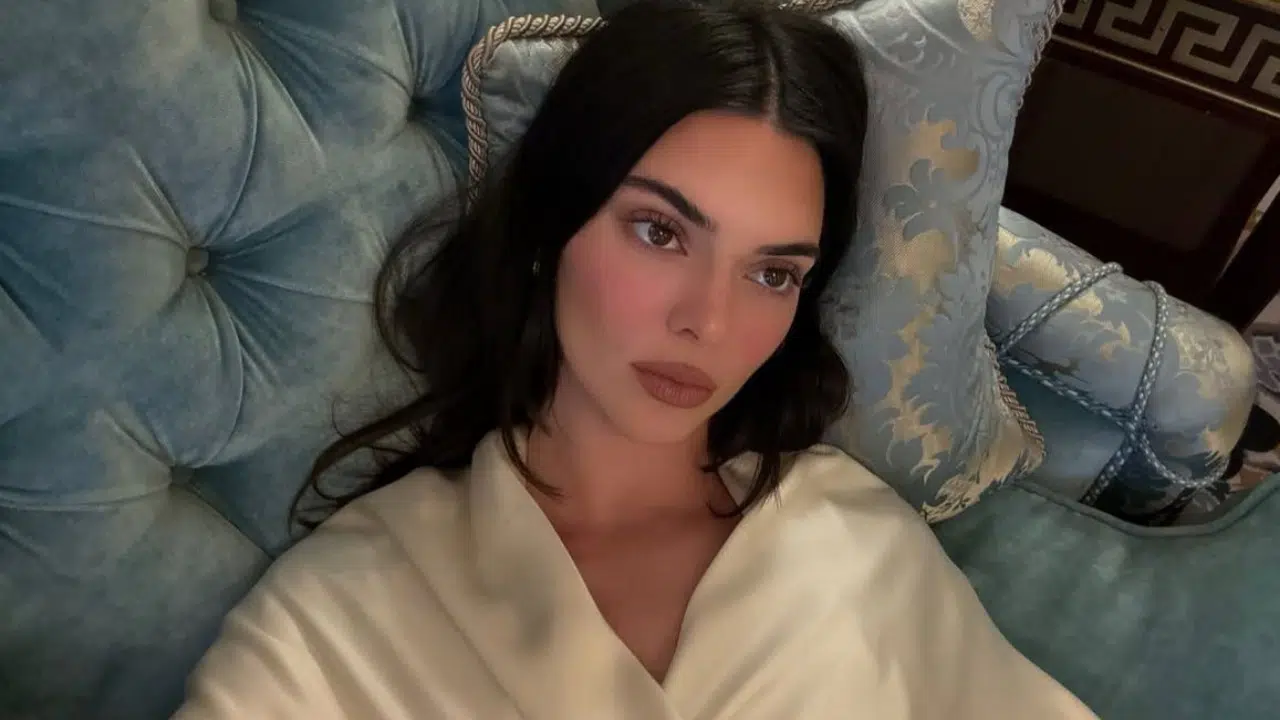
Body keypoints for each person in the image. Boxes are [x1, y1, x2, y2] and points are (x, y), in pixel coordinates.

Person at [175, 1, 1097, 717]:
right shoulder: (342, 611)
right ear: (551, 225)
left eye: (772, 273)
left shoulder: (857, 544)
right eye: (660, 232)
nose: (709, 321)